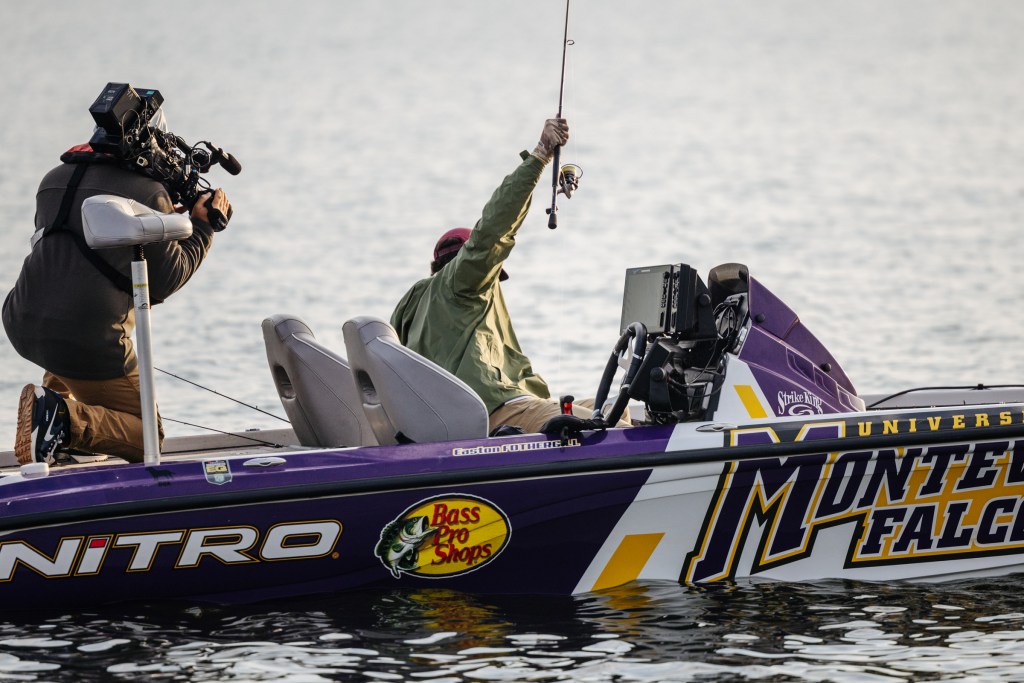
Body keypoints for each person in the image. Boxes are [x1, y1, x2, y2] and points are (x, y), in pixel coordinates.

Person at [5, 98, 232, 465]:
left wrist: (156, 219)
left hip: (23, 323)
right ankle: (62, 420)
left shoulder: (54, 180)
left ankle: (57, 420)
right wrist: (204, 226)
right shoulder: (147, 192)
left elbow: (73, 256)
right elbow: (167, 279)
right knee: (147, 436)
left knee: (71, 308)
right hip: (88, 341)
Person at [391, 117, 627, 435]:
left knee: (616, 407)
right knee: (608, 429)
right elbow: (494, 228)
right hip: (497, 410)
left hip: (471, 415)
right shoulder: (463, 283)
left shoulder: (411, 303)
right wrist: (541, 154)